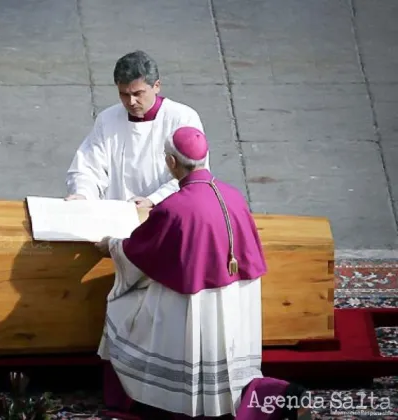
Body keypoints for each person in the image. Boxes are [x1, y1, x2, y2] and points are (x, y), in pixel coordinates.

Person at [94, 127, 310, 419]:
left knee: (121, 312)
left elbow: (140, 252)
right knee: (227, 370)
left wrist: (111, 246)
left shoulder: (173, 209)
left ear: (172, 162)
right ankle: (278, 397)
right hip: (235, 300)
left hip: (193, 304)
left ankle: (160, 401)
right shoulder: (233, 195)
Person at [65, 50, 209, 208]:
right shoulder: (107, 119)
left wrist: (153, 200)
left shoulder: (182, 118)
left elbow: (193, 174)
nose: (131, 102)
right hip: (116, 218)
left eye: (138, 93)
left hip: (165, 214)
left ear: (156, 86)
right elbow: (87, 167)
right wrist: (83, 194)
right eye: (124, 94)